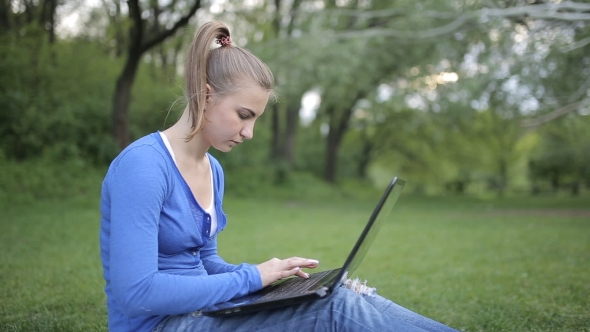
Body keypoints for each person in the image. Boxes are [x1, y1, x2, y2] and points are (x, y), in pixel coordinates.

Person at [99, 21, 460, 332]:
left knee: (341, 292)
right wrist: (252, 278)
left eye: (254, 119)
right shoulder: (144, 167)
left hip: (203, 312)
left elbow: (205, 263)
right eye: (243, 115)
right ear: (207, 96)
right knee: (335, 311)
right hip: (162, 324)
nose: (249, 132)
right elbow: (136, 293)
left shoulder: (213, 169)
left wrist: (272, 280)